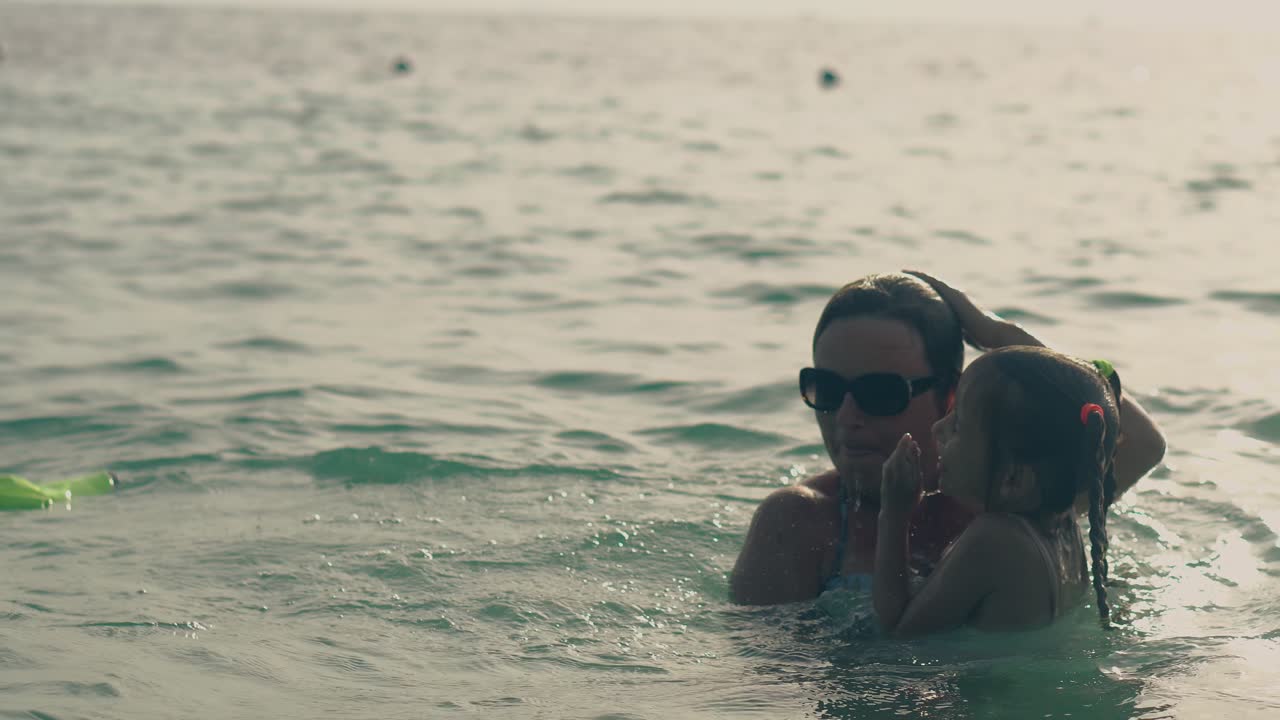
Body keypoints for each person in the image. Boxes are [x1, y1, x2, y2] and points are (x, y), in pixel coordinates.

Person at [729, 271, 1166, 605]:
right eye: (825, 389)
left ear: (953, 397)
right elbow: (763, 680)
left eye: (880, 393)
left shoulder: (1016, 497)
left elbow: (1143, 443)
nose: (845, 417)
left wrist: (998, 334)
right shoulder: (798, 523)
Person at [874, 346, 1118, 635]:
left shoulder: (994, 538)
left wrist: (894, 514)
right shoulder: (1065, 525)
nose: (937, 428)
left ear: (1014, 480)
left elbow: (897, 634)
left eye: (957, 425)